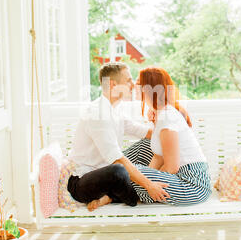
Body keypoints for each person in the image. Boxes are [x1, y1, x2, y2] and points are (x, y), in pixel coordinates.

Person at [67, 62, 170, 211]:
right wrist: (149, 185)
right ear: (114, 85)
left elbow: (142, 131)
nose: (133, 84)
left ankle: (110, 196)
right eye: (128, 80)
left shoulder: (116, 108)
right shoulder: (97, 113)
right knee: (118, 170)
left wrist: (170, 131)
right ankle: (134, 195)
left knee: (149, 143)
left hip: (107, 172)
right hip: (82, 182)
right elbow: (117, 159)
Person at [130, 66, 212, 205]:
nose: (133, 86)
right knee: (135, 165)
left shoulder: (168, 117)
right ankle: (117, 188)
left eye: (138, 83)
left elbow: (171, 168)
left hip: (192, 184)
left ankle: (112, 190)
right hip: (179, 178)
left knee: (128, 171)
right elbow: (158, 156)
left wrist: (149, 182)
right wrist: (147, 179)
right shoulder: (162, 114)